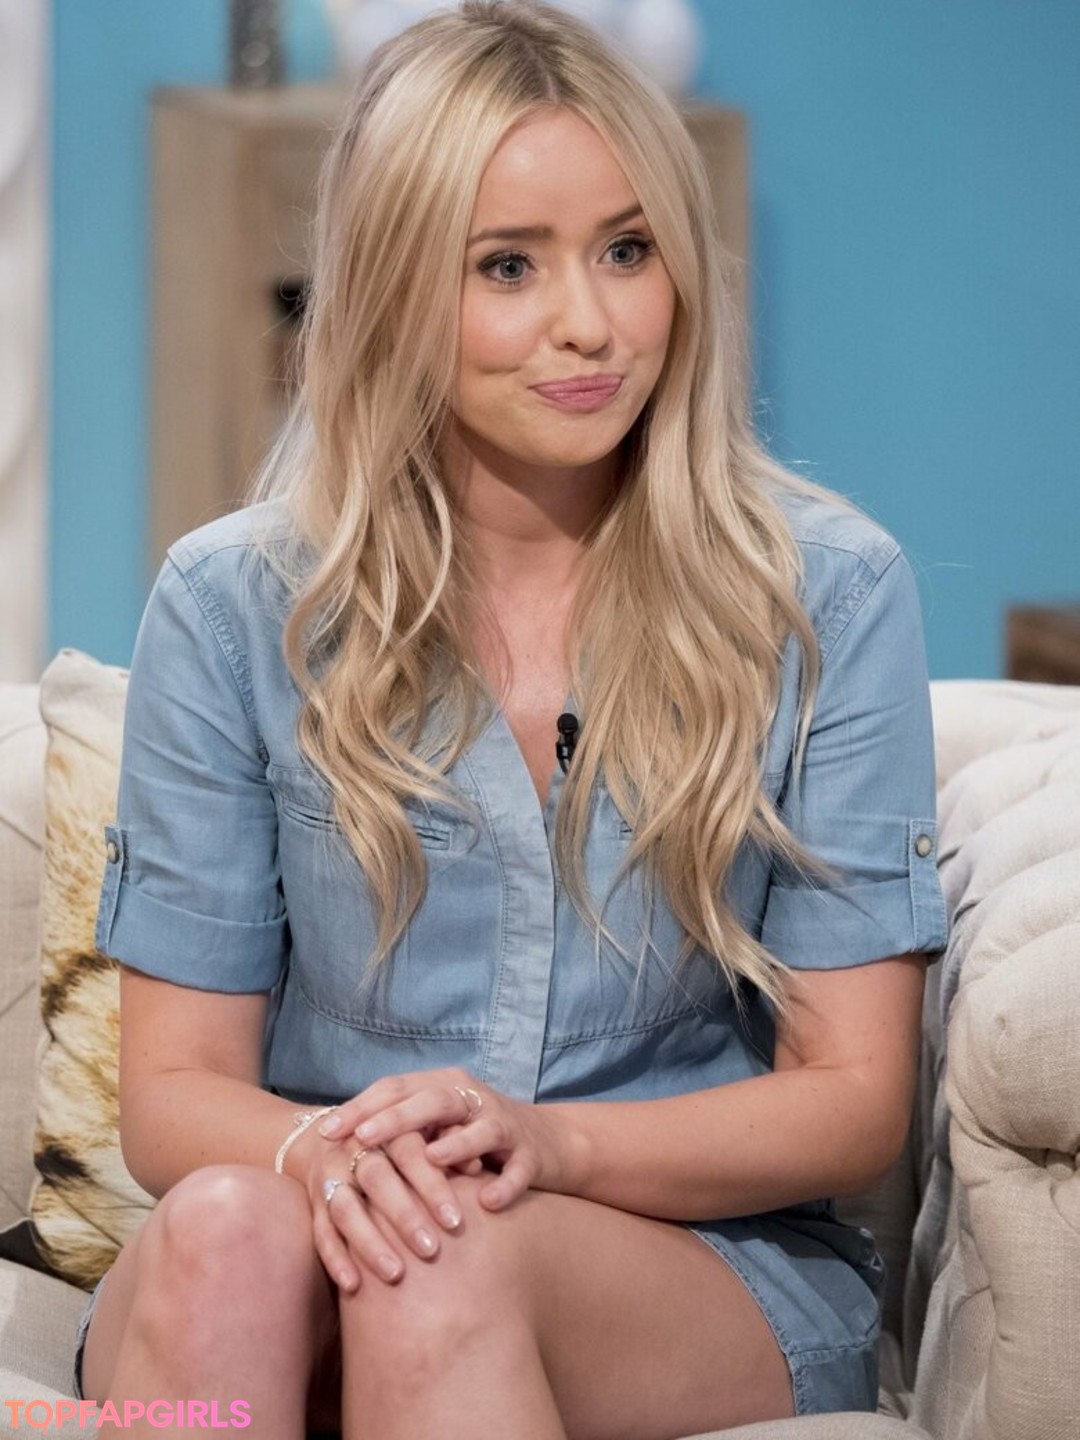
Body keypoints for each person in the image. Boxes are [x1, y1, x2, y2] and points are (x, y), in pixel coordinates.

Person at [76, 2, 948, 1435]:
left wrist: (547, 1146)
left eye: (628, 250)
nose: (588, 323)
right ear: (395, 286)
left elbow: (851, 1101)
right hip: (322, 1203)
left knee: (440, 1260)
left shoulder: (828, 597)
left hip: (678, 1257)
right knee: (231, 1229)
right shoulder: (232, 606)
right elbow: (174, 1095)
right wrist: (342, 1160)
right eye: (508, 266)